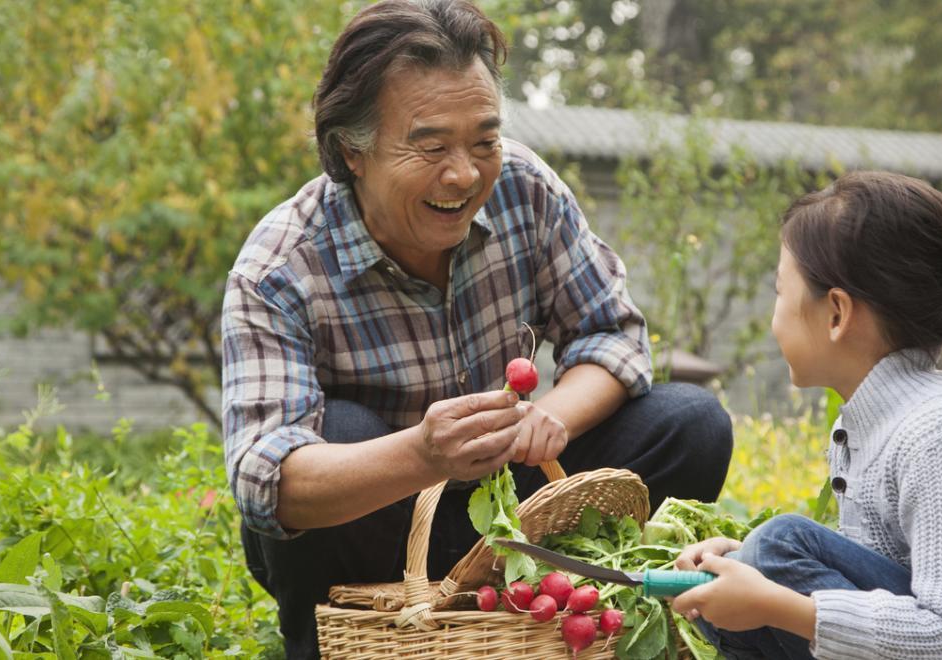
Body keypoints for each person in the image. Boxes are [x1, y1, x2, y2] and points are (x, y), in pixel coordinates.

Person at [221, 1, 732, 656]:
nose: (464, 174)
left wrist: (550, 417)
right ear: (353, 152)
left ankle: (570, 617)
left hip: (517, 511)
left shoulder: (523, 189)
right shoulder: (278, 270)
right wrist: (421, 454)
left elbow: (613, 335)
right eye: (430, 146)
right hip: (380, 525)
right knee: (336, 430)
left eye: (484, 140)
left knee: (690, 423)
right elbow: (267, 480)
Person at [669, 171, 942, 659]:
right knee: (741, 586)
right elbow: (877, 574)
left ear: (836, 313)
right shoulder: (871, 424)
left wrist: (779, 604)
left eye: (780, 291)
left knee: (778, 546)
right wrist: (745, 573)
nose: (776, 313)